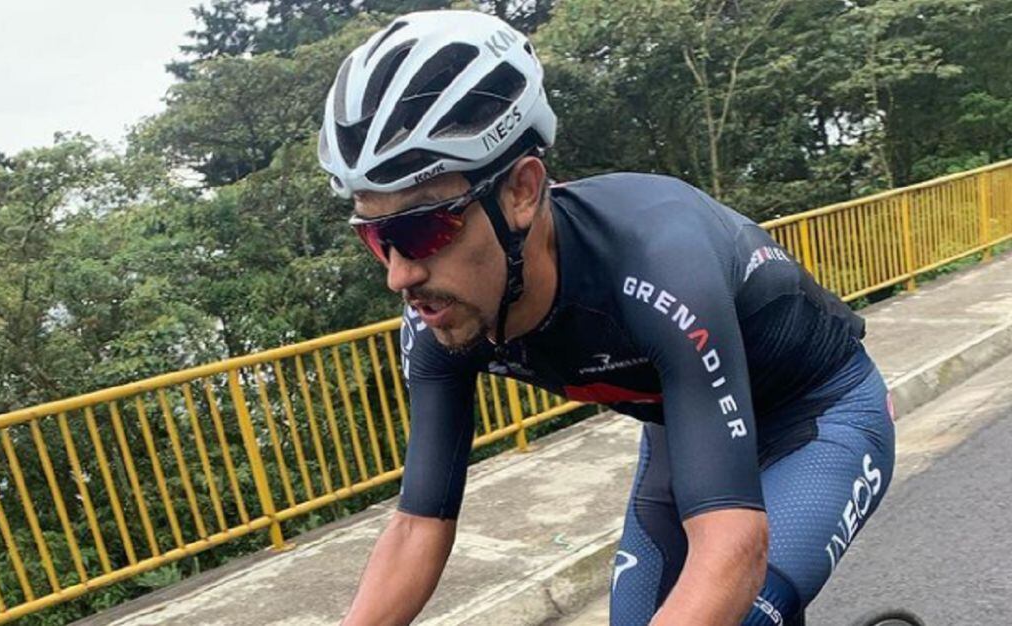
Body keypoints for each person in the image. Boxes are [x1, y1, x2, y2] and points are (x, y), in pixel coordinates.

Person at [317, 10, 896, 626]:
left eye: (421, 227)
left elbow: (732, 545)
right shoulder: (440, 318)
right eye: (377, 238)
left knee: (743, 613)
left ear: (520, 190)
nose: (399, 275)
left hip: (818, 416)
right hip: (687, 432)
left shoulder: (659, 259)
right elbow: (417, 527)